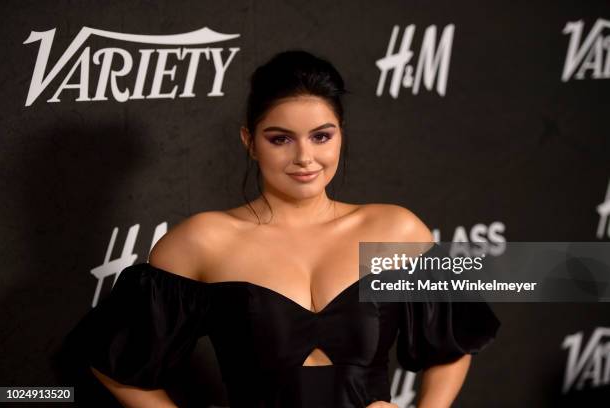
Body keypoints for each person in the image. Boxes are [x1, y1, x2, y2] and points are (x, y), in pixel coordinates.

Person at [55, 50, 500, 408]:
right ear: (249, 141)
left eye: (322, 136)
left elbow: (451, 343)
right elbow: (116, 365)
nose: (305, 157)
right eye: (281, 138)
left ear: (341, 134)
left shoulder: (394, 229)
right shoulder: (205, 240)